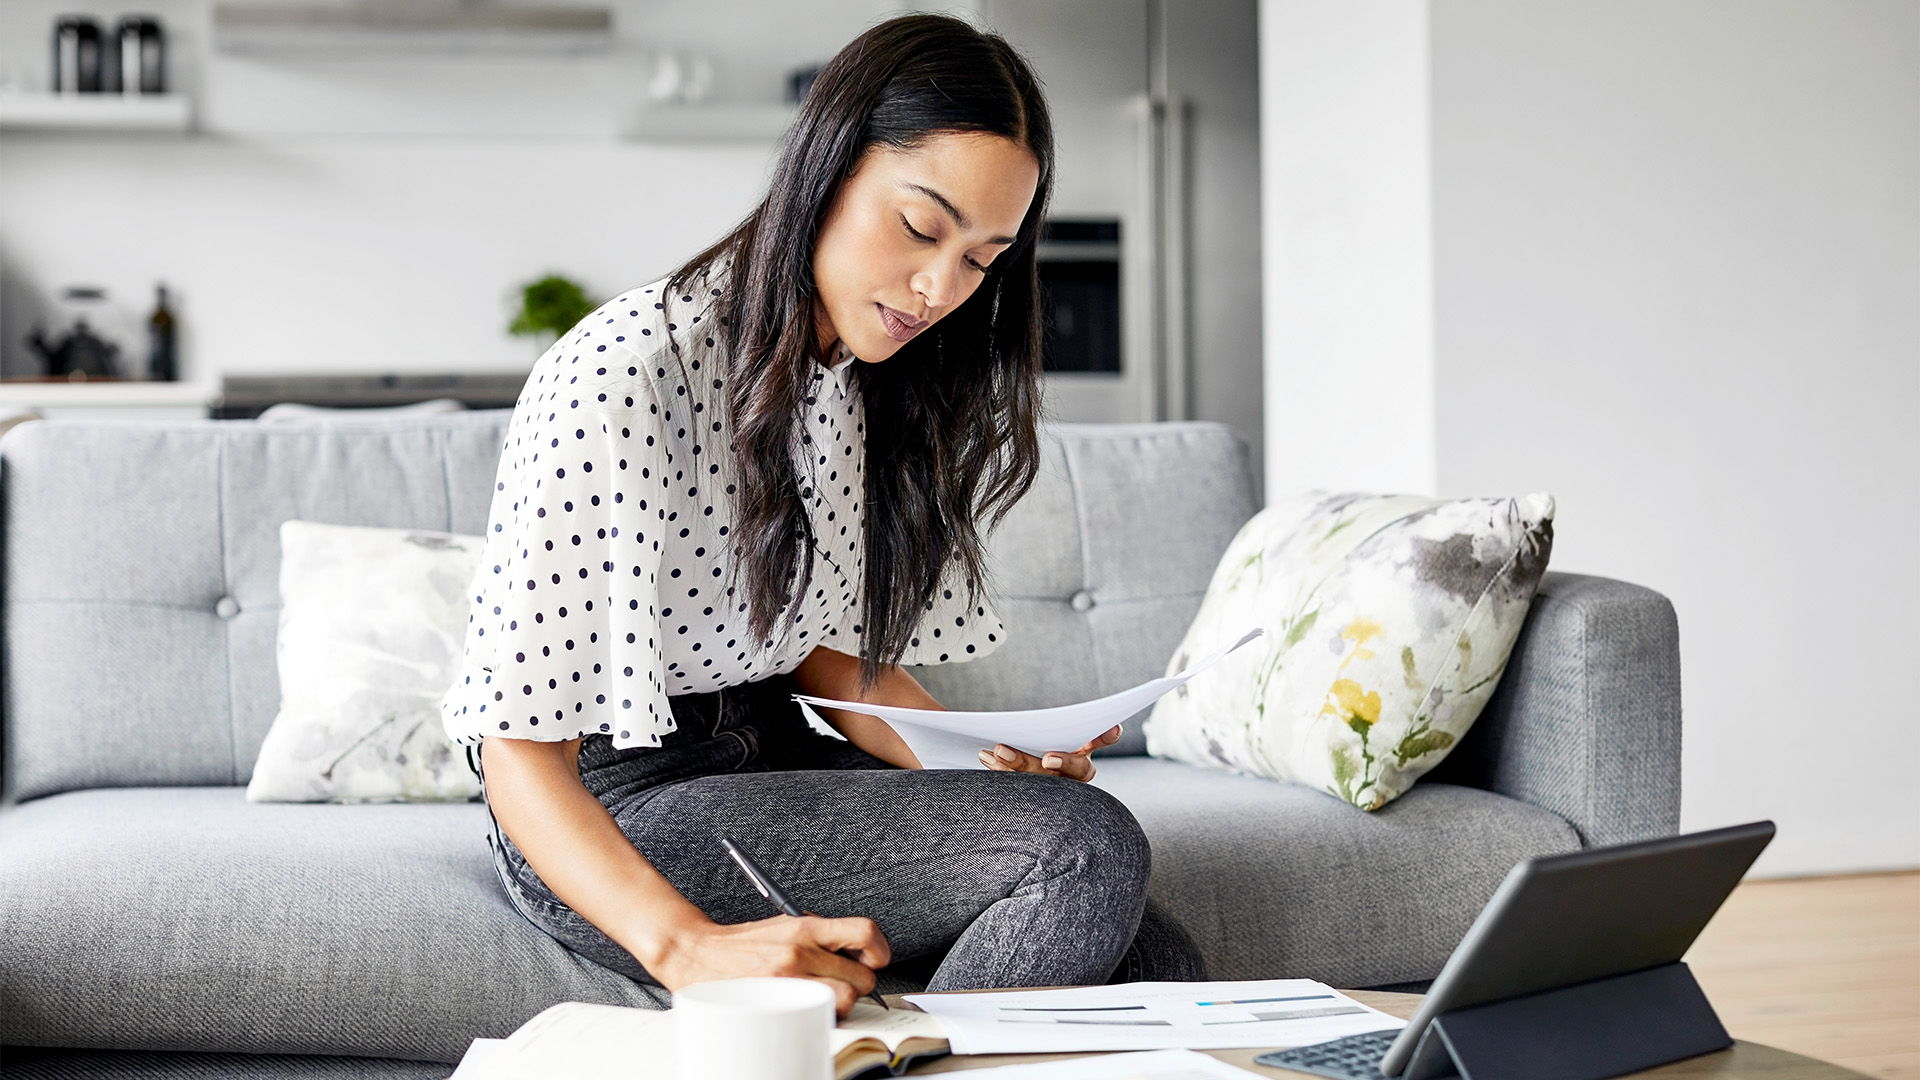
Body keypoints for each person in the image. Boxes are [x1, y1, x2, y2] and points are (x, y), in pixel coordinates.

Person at [441, 12, 1205, 1017]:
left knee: (1154, 958)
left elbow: (827, 662)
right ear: (826, 169)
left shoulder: (865, 375)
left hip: (771, 755)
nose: (940, 288)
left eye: (982, 260)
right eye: (921, 228)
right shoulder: (627, 372)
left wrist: (992, 763)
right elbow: (514, 747)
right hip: (611, 807)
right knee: (1085, 851)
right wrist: (687, 949)